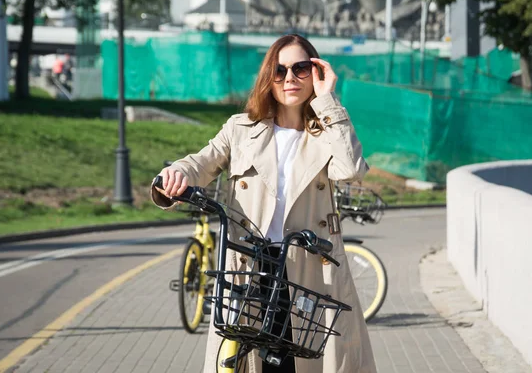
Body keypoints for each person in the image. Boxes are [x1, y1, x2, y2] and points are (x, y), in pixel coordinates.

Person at [151, 34, 377, 373]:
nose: (290, 78)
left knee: (299, 365)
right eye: (280, 70)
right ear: (267, 77)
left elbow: (351, 170)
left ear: (315, 73)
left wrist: (327, 99)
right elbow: (202, 162)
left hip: (308, 272)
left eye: (301, 68)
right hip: (249, 271)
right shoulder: (241, 129)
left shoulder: (325, 133)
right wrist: (175, 175)